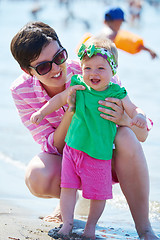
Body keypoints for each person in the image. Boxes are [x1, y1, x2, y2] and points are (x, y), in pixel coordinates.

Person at [10, 21, 159, 239]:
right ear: (27, 70)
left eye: (59, 57)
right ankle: (67, 209)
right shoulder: (21, 91)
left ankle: (145, 228)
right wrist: (70, 112)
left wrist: (125, 119)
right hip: (70, 157)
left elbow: (143, 135)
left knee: (125, 136)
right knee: (37, 176)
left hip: (105, 158)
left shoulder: (93, 69)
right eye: (43, 67)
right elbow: (52, 146)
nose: (56, 69)